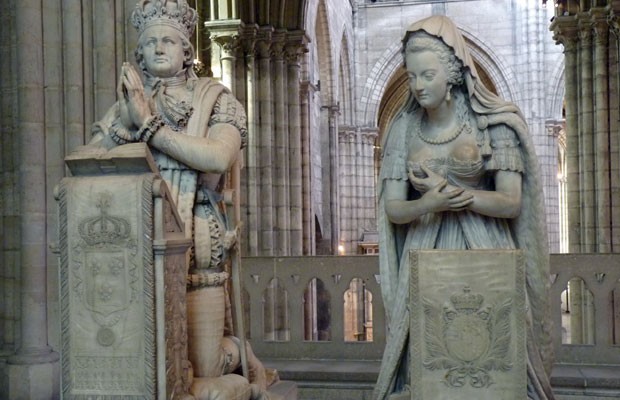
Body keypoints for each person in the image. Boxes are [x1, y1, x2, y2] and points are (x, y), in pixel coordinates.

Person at [88, 1, 270, 399]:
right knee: (155, 365)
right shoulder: (126, 110)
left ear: (188, 51)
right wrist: (122, 125)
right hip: (136, 249)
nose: (157, 48)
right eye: (149, 42)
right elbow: (89, 162)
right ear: (138, 55)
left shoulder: (217, 100)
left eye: (167, 40)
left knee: (203, 372)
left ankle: (239, 356)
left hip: (200, 248)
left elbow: (218, 157)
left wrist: (150, 129)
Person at [374, 16, 554, 400]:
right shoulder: (403, 129)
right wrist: (429, 202)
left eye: (427, 75)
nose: (418, 85)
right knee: (426, 350)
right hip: (423, 252)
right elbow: (393, 209)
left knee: (497, 346)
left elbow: (511, 202)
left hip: (487, 248)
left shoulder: (492, 125)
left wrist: (457, 197)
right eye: (411, 76)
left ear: (452, 72)